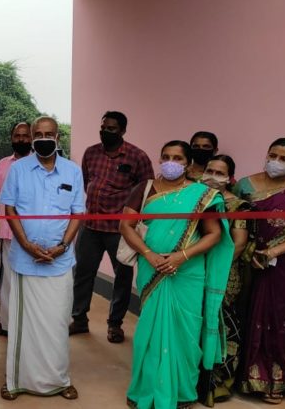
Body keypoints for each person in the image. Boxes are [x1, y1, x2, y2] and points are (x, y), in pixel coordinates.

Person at [120, 140, 234, 409]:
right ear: (160, 159)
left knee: (185, 331)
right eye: (166, 157)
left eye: (178, 158)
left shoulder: (202, 194)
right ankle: (145, 389)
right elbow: (126, 226)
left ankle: (182, 393)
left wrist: (181, 256)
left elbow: (214, 234)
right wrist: (149, 254)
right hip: (151, 266)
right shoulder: (144, 188)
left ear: (188, 163)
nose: (171, 162)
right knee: (149, 330)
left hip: (187, 270)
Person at [0, 117, 83, 401]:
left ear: (58, 137)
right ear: (32, 137)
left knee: (58, 323)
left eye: (49, 134)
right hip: (26, 261)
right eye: (38, 134)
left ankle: (60, 380)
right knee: (23, 326)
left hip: (60, 262)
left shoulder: (72, 170)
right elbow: (10, 209)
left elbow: (77, 213)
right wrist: (26, 244)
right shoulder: (18, 169)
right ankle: (17, 382)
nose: (43, 138)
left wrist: (62, 245)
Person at [71, 111, 154, 343]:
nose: (106, 132)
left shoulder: (137, 156)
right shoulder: (91, 153)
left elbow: (146, 190)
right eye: (103, 127)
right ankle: (79, 319)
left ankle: (115, 324)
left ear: (123, 131)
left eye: (112, 129)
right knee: (83, 273)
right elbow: (86, 182)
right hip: (91, 226)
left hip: (120, 230)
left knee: (122, 277)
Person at [235, 138, 285, 404]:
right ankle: (241, 376)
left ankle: (274, 380)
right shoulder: (245, 185)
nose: (276, 162)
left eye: (284, 159)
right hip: (245, 260)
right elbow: (233, 220)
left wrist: (272, 252)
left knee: (280, 318)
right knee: (242, 313)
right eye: (272, 155)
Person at [197, 155, 251, 406]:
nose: (212, 176)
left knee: (223, 325)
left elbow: (238, 244)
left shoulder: (239, 206)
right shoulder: (195, 198)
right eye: (209, 170)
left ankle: (218, 382)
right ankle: (192, 378)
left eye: (220, 173)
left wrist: (216, 269)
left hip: (224, 274)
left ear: (230, 178)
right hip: (194, 269)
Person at [0, 121, 32, 337]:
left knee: (30, 282)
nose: (21, 139)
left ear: (31, 138)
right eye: (17, 135)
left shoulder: (39, 163)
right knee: (6, 282)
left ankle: (28, 325)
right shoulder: (3, 165)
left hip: (33, 235)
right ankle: (5, 324)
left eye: (25, 135)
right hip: (7, 234)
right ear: (11, 138)